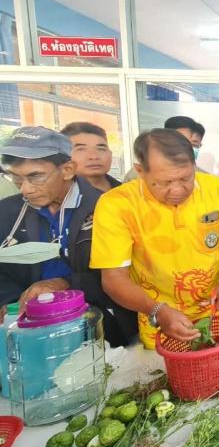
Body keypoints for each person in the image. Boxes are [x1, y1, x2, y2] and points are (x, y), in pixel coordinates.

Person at [90, 128, 219, 349]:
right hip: (161, 319)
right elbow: (113, 279)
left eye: (185, 178)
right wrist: (157, 311)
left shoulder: (215, 187)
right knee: (168, 370)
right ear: (140, 171)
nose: (177, 190)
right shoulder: (117, 204)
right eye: (164, 182)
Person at [0, 126, 137, 346]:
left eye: (35, 176)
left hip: (102, 326)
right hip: (29, 331)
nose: (25, 189)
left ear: (67, 170)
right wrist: (10, 302)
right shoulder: (7, 213)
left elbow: (127, 274)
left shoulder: (107, 207)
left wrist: (66, 283)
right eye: (16, 178)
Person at [124, 116, 205, 181]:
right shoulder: (137, 175)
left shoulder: (206, 179)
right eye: (181, 142)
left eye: (194, 144)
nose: (187, 148)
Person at [61, 122, 120, 193]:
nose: (94, 156)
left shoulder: (128, 192)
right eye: (81, 149)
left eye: (101, 149)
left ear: (110, 154)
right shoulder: (55, 196)